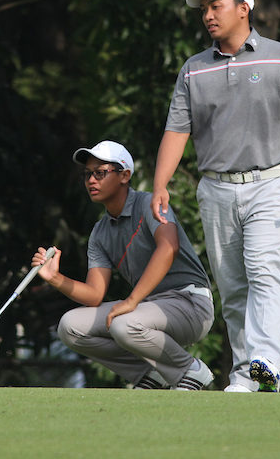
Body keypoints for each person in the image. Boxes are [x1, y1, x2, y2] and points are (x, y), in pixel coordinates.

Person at [151, 0, 280, 393]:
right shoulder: (194, 68)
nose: (208, 16)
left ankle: (265, 359)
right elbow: (177, 131)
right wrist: (160, 184)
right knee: (232, 287)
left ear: (243, 8)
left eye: (216, 6)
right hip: (216, 189)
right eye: (203, 9)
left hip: (274, 184)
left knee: (265, 268)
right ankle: (249, 376)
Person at [32, 140, 214, 390]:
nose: (91, 181)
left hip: (190, 304)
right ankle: (153, 375)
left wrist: (131, 301)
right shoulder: (100, 232)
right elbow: (95, 295)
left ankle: (190, 370)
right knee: (70, 326)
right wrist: (56, 279)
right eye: (87, 175)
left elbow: (168, 247)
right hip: (148, 308)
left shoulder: (150, 204)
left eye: (100, 173)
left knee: (124, 323)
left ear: (125, 175)